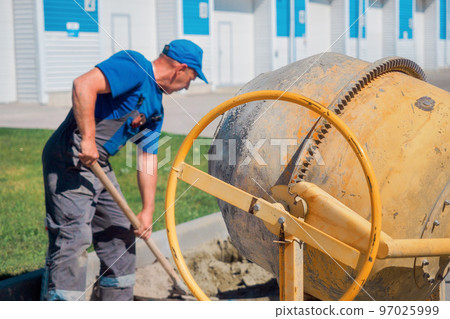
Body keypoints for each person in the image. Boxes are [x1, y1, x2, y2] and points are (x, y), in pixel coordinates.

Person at [41, 39, 208, 301]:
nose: (188, 85)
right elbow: (83, 85)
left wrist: (147, 210)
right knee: (73, 236)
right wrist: (87, 137)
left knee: (120, 235)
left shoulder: (156, 108)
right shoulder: (134, 65)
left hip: (99, 163)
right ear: (181, 69)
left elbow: (147, 158)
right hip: (71, 155)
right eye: (192, 78)